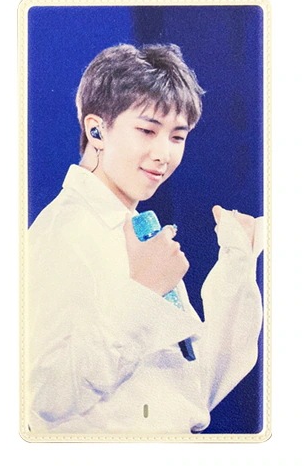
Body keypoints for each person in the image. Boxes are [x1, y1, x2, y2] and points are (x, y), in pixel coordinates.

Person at [25, 43, 264, 434]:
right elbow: (46, 396)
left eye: (177, 137)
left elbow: (191, 392)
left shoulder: (138, 231)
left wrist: (238, 262)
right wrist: (142, 293)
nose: (163, 154)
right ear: (96, 130)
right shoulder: (64, 232)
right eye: (147, 130)